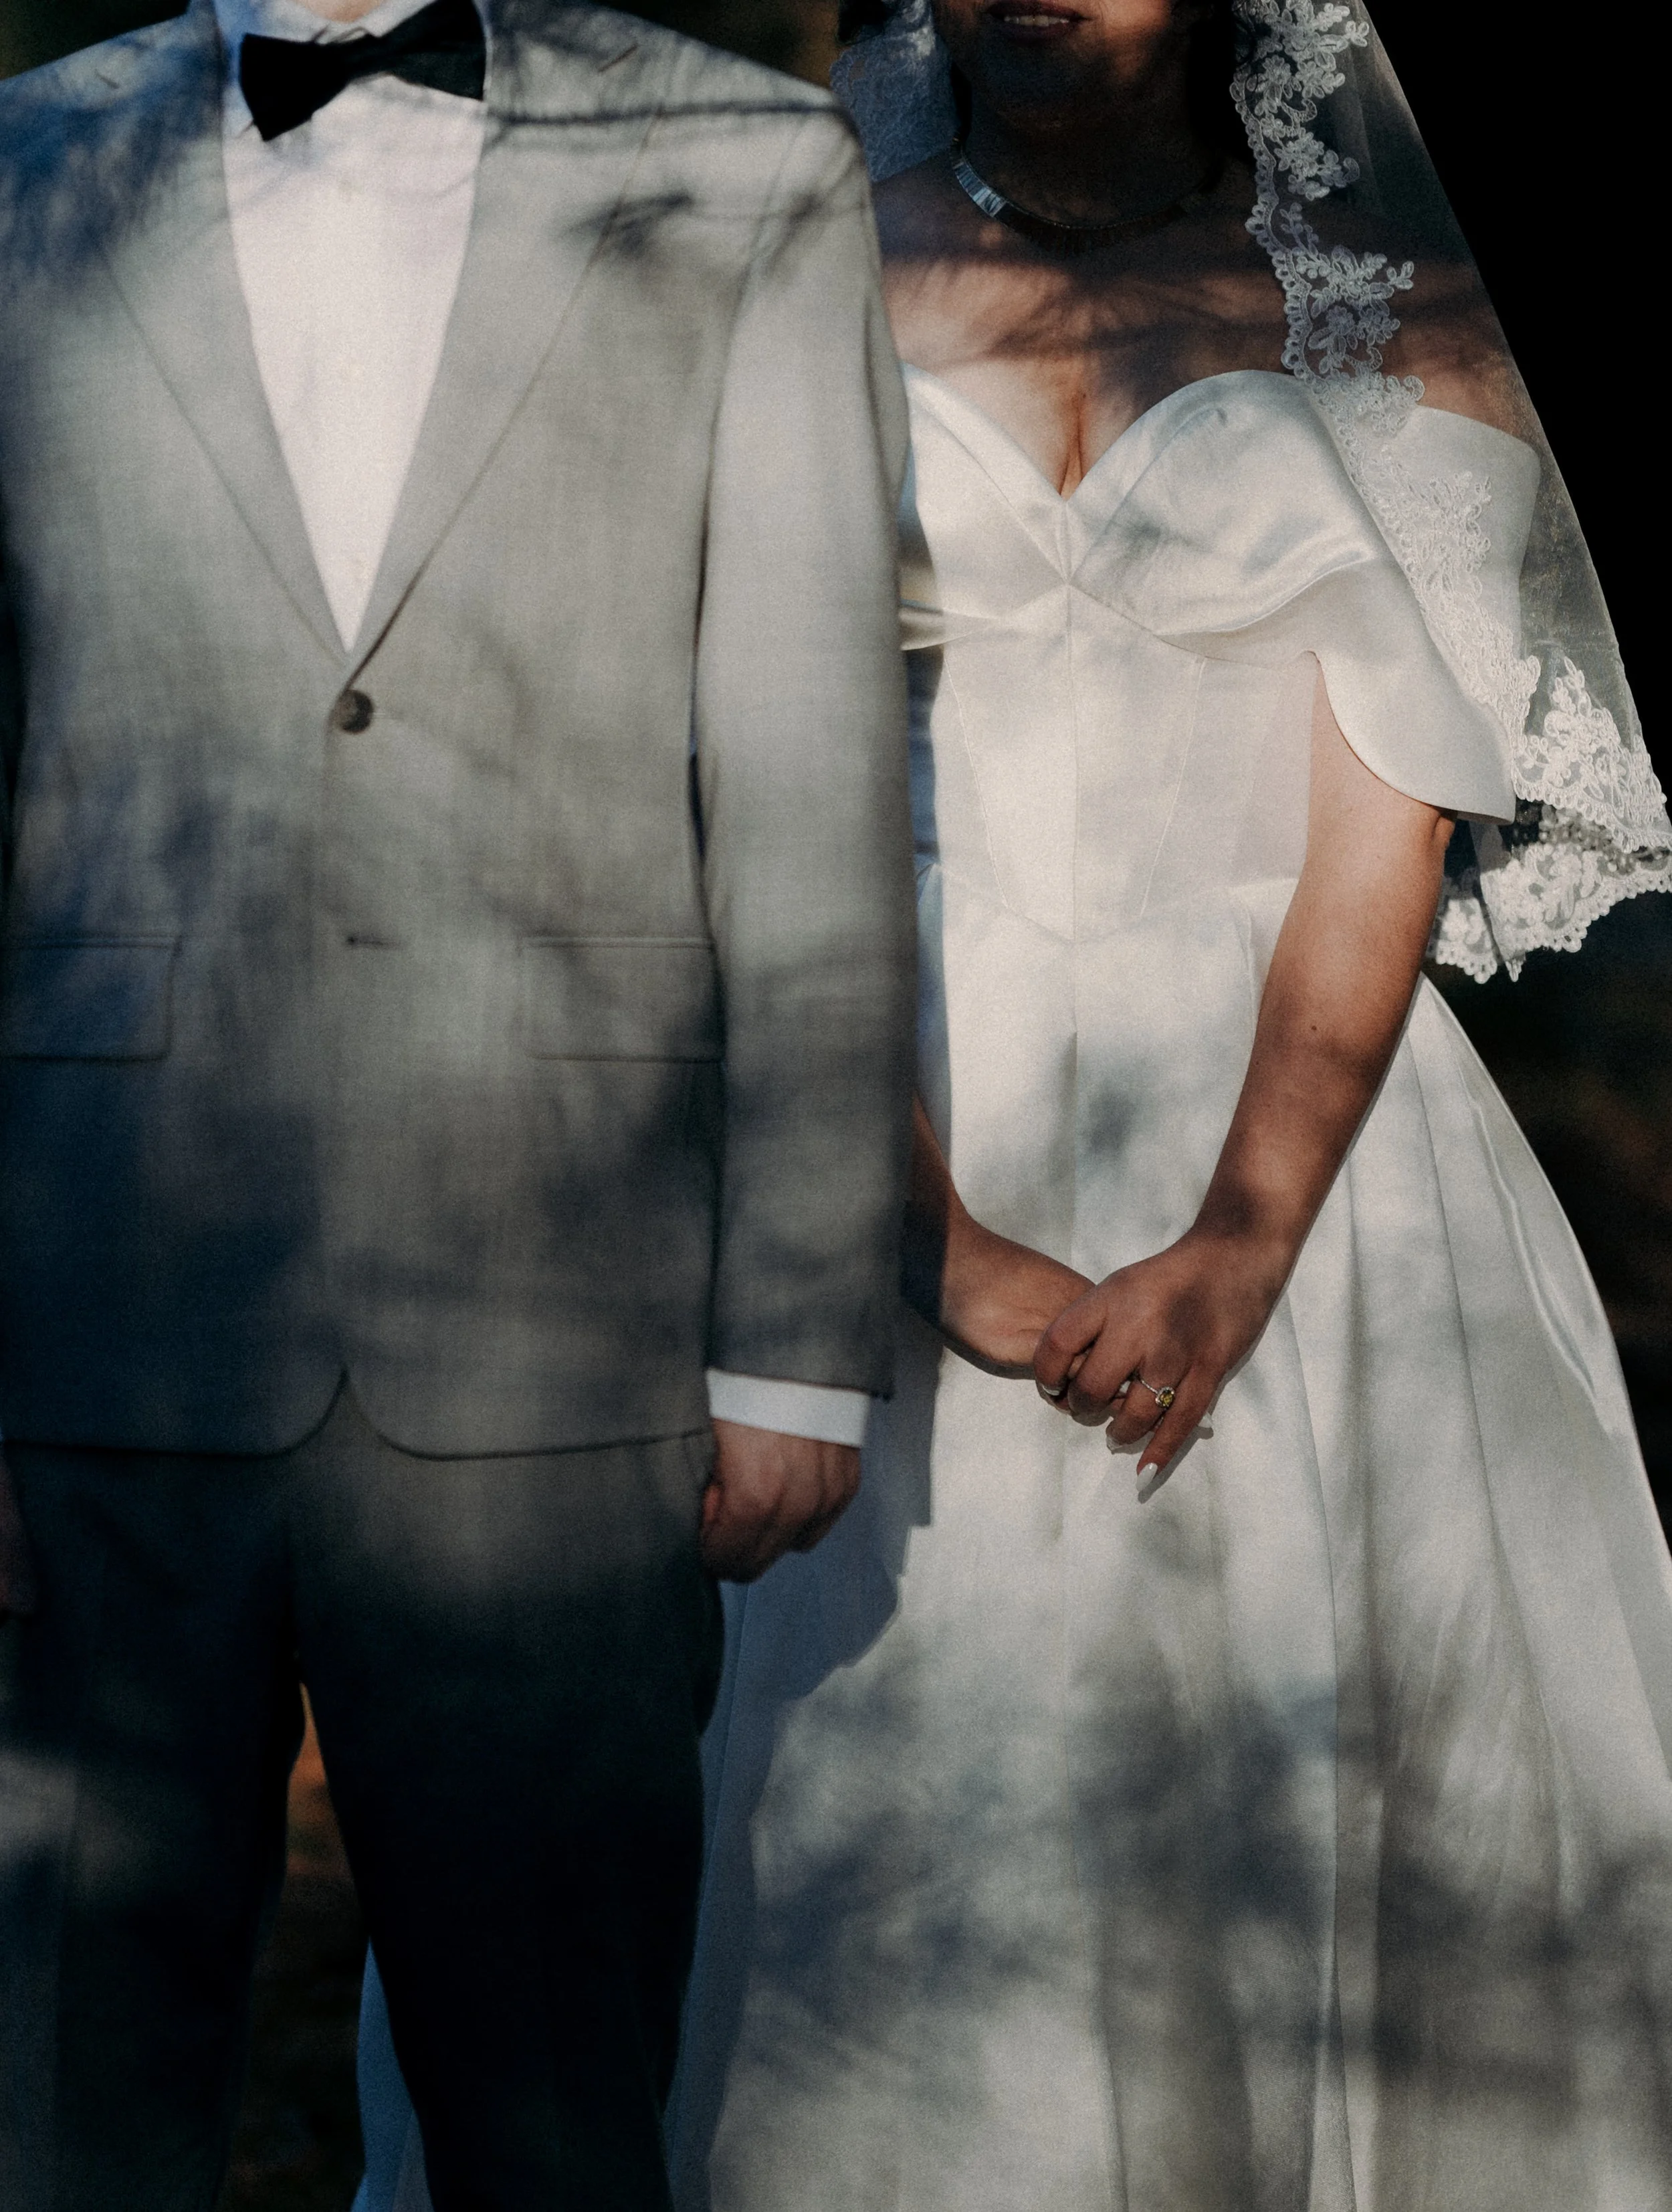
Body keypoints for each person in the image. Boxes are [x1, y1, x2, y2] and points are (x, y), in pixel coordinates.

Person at [664, 1, 1672, 2206]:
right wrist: (916, 1228)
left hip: (1292, 1135)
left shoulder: (1398, 323)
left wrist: (1240, 1232)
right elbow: (735, 774)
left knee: (1304, 1735)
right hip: (868, 1067)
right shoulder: (795, 270)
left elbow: (1380, 819)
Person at [0, 0, 917, 2203]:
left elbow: (804, 766)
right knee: (56, 2117)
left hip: (563, 1306)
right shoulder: (21, 163)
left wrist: (794, 1331)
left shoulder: (743, 163)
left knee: (551, 2116)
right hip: (94, 1298)